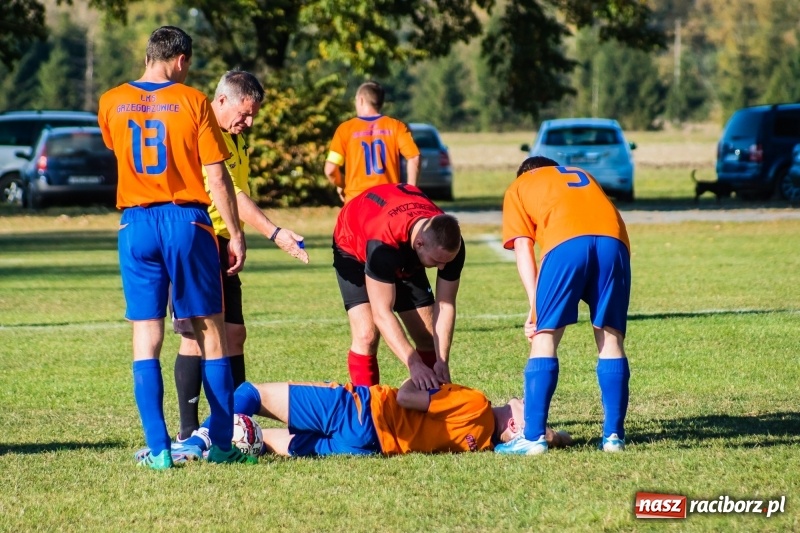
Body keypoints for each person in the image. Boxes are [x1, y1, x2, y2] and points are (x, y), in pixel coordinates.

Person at [97, 26, 255, 468]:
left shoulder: (110, 100)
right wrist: (237, 235)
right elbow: (217, 175)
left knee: (146, 336)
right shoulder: (193, 101)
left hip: (135, 222)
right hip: (186, 220)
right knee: (210, 332)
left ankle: (161, 450)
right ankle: (221, 445)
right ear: (181, 60)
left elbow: (117, 146)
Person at [170, 70, 310, 449]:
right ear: (221, 101)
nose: (247, 123)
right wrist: (275, 232)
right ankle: (187, 430)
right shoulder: (204, 134)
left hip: (223, 242)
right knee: (196, 337)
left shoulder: (236, 140)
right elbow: (230, 193)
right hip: (198, 240)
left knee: (234, 333)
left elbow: (239, 193)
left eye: (252, 117)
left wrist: (237, 236)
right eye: (244, 114)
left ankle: (232, 423)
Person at [495, 156, 631, 456]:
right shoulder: (580, 173)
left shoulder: (519, 186)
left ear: (524, 174)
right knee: (610, 338)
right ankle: (613, 438)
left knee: (545, 337)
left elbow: (522, 246)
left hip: (566, 243)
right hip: (615, 242)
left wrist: (535, 306)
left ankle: (533, 438)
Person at [174, 379, 573, 459]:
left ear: (516, 428)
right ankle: (236, 445)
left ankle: (201, 439)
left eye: (531, 413)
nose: (526, 402)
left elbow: (409, 397)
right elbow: (552, 439)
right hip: (366, 449)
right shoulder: (483, 445)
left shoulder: (477, 404)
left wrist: (421, 376)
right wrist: (554, 437)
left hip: (363, 410)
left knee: (251, 394)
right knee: (270, 442)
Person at [332, 182, 465, 390]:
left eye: (446, 261)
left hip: (403, 242)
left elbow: (446, 304)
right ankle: (367, 411)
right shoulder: (382, 246)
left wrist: (442, 360)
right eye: (436, 261)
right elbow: (382, 313)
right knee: (366, 335)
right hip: (353, 245)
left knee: (428, 337)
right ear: (419, 244)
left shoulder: (449, 246)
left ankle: (432, 405)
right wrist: (413, 362)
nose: (442, 267)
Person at [324, 81, 421, 204]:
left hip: (356, 202)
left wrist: (344, 183)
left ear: (361, 100)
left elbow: (330, 170)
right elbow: (414, 157)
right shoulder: (396, 126)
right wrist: (411, 191)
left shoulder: (345, 130)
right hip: (389, 202)